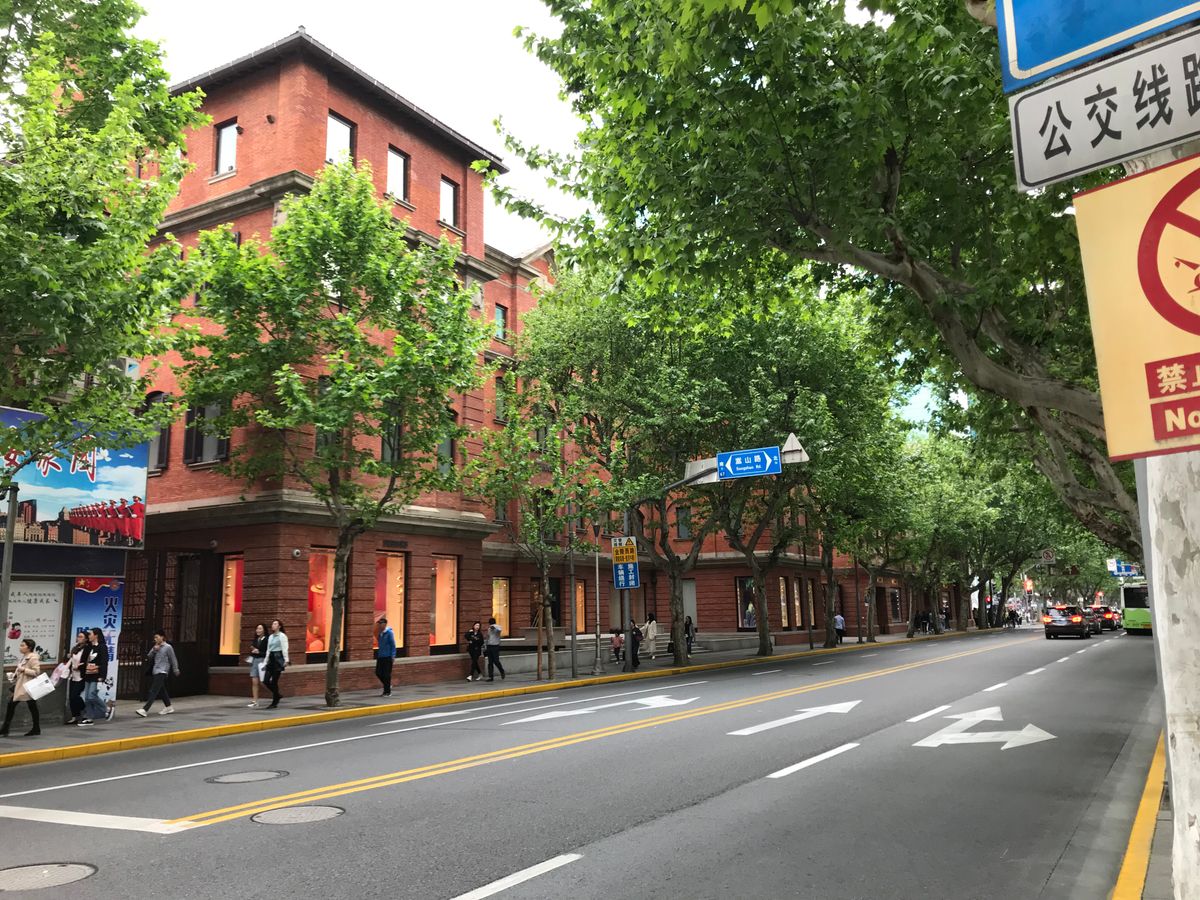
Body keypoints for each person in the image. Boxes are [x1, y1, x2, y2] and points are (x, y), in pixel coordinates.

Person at [1, 638, 42, 736]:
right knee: (31, 706)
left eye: (23, 645)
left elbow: (36, 672)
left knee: (13, 704)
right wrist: (14, 675)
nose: (20, 647)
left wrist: (23, 669)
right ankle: (36, 728)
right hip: (22, 685)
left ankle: (5, 728)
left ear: (29, 647)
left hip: (27, 686)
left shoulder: (33, 658)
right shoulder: (24, 657)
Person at [136, 630, 179, 717]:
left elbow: (173, 659)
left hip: (162, 671)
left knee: (153, 690)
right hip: (155, 671)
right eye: (154, 637)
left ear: (162, 637)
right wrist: (154, 650)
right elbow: (149, 656)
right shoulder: (155, 647)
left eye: (157, 637)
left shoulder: (168, 647)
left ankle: (145, 709)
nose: (155, 639)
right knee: (161, 690)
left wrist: (176, 669)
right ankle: (168, 707)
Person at [79, 627, 109, 726]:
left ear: (96, 635)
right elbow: (84, 659)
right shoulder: (89, 647)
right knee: (87, 698)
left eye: (90, 634)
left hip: (97, 675)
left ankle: (106, 708)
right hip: (88, 674)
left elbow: (104, 663)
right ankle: (89, 717)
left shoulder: (102, 647)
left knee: (92, 695)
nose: (89, 636)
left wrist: (102, 677)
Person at [263, 620, 289, 709]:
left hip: (278, 659)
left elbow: (285, 648)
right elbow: (268, 650)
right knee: (266, 680)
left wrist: (286, 660)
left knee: (274, 681)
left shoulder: (282, 636)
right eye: (272, 624)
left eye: (275, 624)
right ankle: (277, 695)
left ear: (279, 626)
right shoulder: (270, 637)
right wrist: (265, 661)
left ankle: (274, 702)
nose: (273, 625)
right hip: (271, 658)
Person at [65, 630, 88, 724]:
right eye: (78, 636)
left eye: (81, 637)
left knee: (75, 696)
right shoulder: (75, 648)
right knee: (71, 697)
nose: (79, 638)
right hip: (73, 675)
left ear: (86, 639)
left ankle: (85, 710)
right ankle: (75, 716)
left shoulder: (87, 649)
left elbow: (87, 662)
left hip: (81, 676)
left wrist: (79, 667)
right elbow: (71, 660)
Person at [247, 623, 268, 708]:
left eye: (260, 629)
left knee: (264, 682)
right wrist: (253, 651)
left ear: (264, 630)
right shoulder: (255, 639)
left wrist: (259, 652)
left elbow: (268, 652)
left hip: (263, 661)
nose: (258, 630)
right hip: (255, 661)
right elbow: (252, 649)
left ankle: (275, 694)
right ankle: (255, 701)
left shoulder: (267, 639)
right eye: (257, 629)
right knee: (254, 681)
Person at [376, 617, 397, 695]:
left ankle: (387, 692)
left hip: (388, 656)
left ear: (384, 624)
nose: (379, 625)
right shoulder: (380, 633)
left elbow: (393, 645)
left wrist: (393, 655)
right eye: (379, 624)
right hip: (380, 656)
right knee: (378, 672)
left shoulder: (389, 633)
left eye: (380, 624)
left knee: (386, 674)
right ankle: (387, 685)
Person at [485, 616, 505, 682]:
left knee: (496, 661)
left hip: (495, 646)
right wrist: (486, 645)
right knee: (490, 662)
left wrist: (494, 627)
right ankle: (491, 677)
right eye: (490, 625)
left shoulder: (498, 627)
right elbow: (488, 637)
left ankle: (502, 671)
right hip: (489, 646)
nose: (490, 626)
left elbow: (500, 630)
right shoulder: (489, 629)